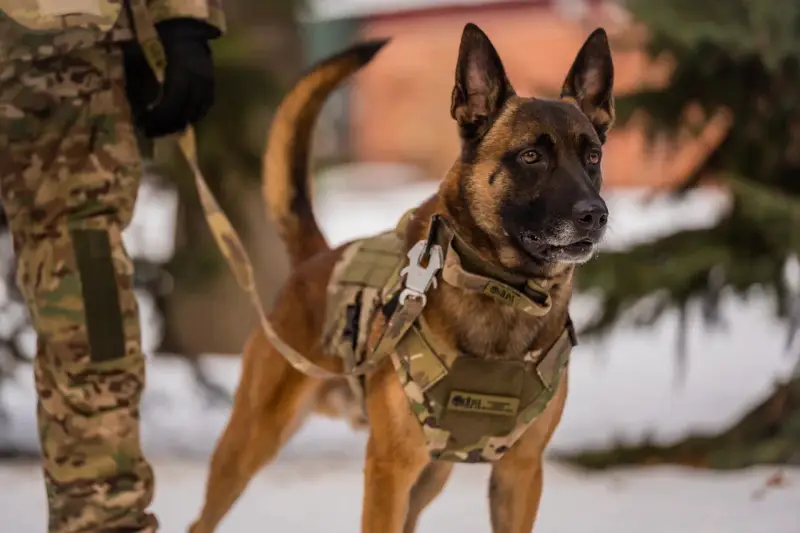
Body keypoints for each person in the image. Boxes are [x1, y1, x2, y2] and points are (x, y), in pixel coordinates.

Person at [0, 1, 224, 531]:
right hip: (58, 39)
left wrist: (179, 20)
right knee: (86, 277)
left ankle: (102, 518)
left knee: (87, 286)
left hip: (55, 42)